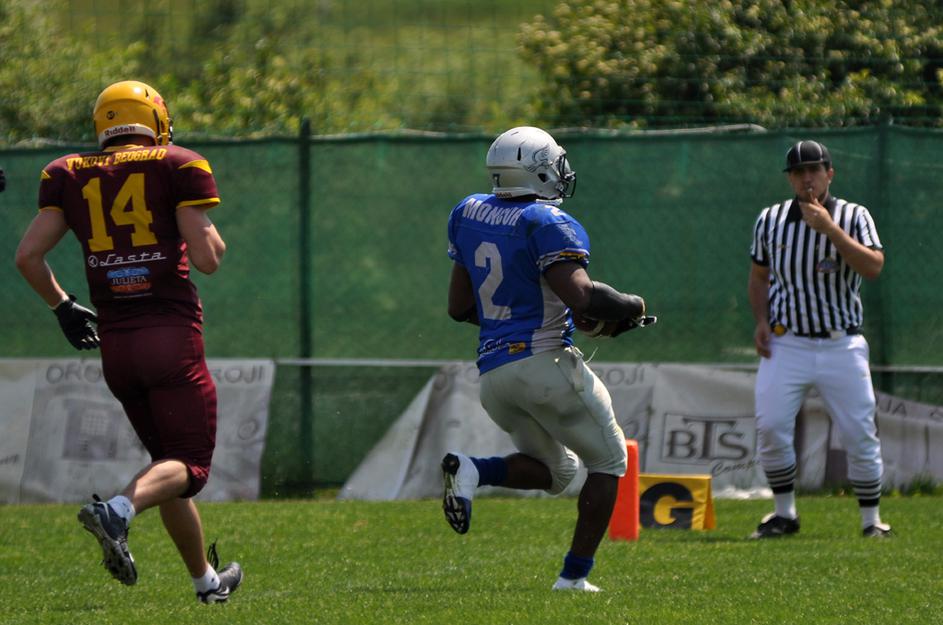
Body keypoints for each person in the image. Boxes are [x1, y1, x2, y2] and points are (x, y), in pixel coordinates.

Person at [14, 80, 244, 601]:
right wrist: (209, 233)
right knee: (190, 466)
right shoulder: (176, 163)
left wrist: (63, 306)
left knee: (166, 466)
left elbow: (27, 257)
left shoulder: (67, 172)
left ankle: (206, 583)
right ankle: (116, 512)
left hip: (115, 344)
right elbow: (208, 259)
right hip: (170, 337)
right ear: (156, 120)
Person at [443, 126, 652, 592]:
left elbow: (459, 308)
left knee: (560, 472)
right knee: (609, 461)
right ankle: (574, 577)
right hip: (544, 366)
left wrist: (521, 321)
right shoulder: (546, 221)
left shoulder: (468, 211)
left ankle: (473, 469)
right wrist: (632, 306)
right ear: (536, 171)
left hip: (494, 376)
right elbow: (581, 296)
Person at [748, 139, 890, 539]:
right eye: (798, 172)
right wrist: (761, 320)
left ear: (830, 173)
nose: (806, 178)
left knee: (859, 431)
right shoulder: (771, 219)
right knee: (771, 426)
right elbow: (758, 276)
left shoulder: (854, 215)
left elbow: (873, 266)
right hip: (786, 341)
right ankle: (784, 514)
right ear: (790, 179)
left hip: (841, 342)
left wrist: (830, 229)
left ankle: (871, 520)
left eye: (813, 170)